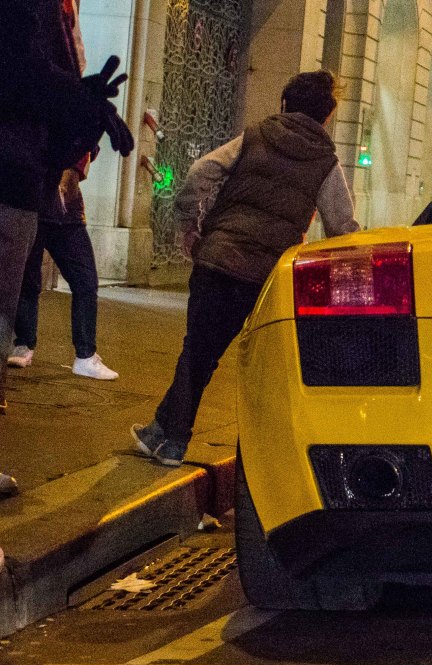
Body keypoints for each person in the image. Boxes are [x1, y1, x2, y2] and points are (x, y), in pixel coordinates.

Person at [131, 71, 360, 467]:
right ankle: (161, 433)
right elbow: (342, 225)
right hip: (264, 276)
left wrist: (190, 225)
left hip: (218, 257)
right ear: (326, 117)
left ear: (285, 104)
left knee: (198, 350)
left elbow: (200, 171)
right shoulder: (326, 164)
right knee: (220, 357)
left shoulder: (253, 137)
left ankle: (172, 441)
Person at [1, 0, 134, 497]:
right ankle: (67, 350)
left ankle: (35, 347)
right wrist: (78, 100)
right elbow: (27, 74)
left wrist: (80, 107)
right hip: (13, 179)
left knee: (10, 308)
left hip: (22, 183)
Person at [7, 153, 119, 380]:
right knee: (28, 280)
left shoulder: (78, 121)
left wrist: (72, 173)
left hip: (66, 210)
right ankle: (24, 343)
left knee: (85, 282)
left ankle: (86, 355)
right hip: (32, 203)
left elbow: (89, 147)